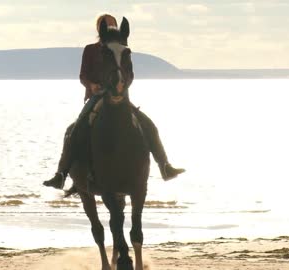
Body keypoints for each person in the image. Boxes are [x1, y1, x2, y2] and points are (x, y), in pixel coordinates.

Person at [43, 14, 184, 189]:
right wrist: (92, 85)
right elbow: (83, 75)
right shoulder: (90, 49)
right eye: (106, 25)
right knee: (75, 128)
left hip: (120, 96)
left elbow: (130, 74)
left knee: (148, 124)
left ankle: (165, 166)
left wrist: (123, 86)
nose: (110, 27)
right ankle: (61, 174)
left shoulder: (122, 49)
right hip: (97, 95)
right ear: (100, 29)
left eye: (113, 24)